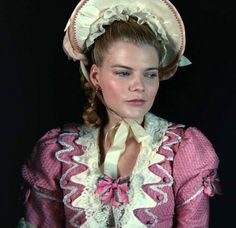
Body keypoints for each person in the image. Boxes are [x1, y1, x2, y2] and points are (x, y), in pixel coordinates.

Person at [18, 0, 221, 227]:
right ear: (96, 77)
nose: (139, 86)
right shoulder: (58, 153)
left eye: (150, 74)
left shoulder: (184, 150)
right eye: (124, 73)